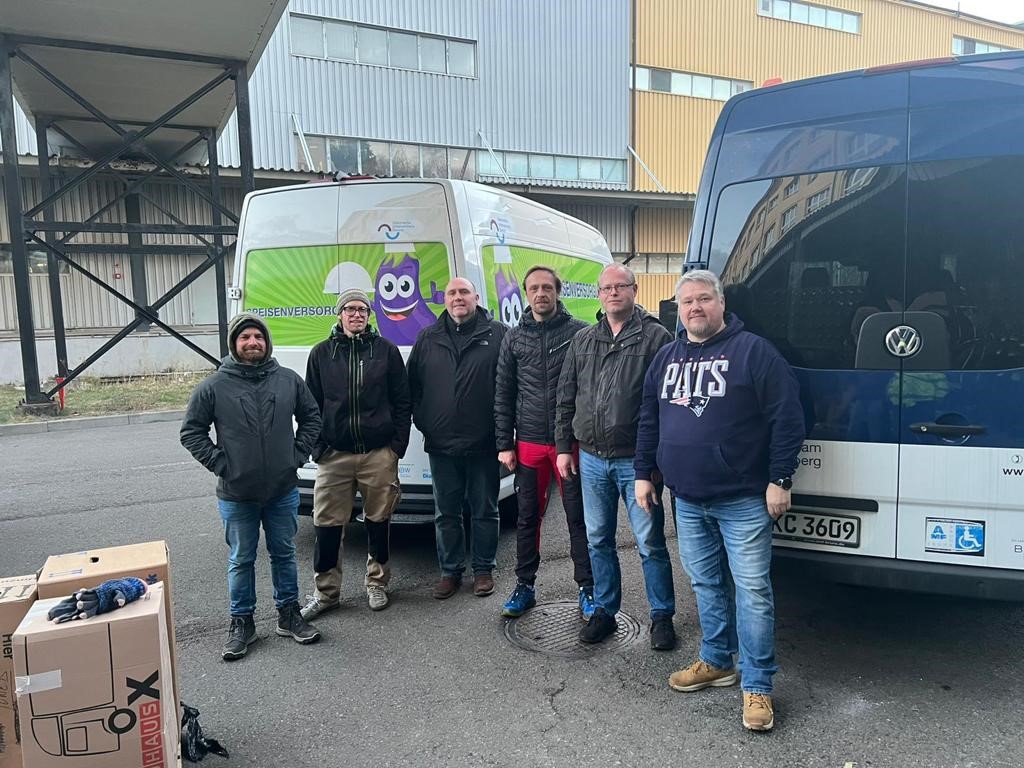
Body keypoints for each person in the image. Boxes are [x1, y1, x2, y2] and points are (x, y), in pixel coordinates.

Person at [634, 269, 804, 732]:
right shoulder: (666, 357)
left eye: (704, 299)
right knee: (706, 584)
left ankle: (758, 684)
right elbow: (649, 418)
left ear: (722, 303)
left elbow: (788, 418)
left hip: (743, 499)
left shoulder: (754, 352)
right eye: (687, 301)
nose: (695, 307)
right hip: (687, 499)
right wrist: (644, 474)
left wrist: (780, 478)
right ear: (678, 308)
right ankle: (716, 660)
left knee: (752, 592)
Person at [180, 313, 323, 661]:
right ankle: (242, 622)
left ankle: (289, 614)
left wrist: (296, 456)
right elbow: (191, 432)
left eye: (258, 337)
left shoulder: (287, 380)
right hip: (237, 493)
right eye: (244, 337)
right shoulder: (214, 386)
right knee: (241, 559)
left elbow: (312, 417)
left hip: (282, 489)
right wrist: (221, 464)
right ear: (234, 343)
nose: (252, 342)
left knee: (284, 554)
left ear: (266, 342)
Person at [554, 263, 677, 651]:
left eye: (619, 287)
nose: (612, 293)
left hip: (637, 462)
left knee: (649, 541)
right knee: (597, 539)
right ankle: (605, 611)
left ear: (634, 290)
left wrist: (655, 462)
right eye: (606, 288)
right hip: (591, 459)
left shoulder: (656, 338)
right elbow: (566, 396)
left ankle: (662, 616)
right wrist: (563, 448)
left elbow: (668, 405)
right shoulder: (583, 340)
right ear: (599, 294)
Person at [300, 288, 411, 618]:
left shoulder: (386, 351)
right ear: (340, 314)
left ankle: (377, 583)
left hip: (378, 455)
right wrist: (318, 448)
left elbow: (403, 401)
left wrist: (396, 448)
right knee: (327, 525)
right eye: (350, 309)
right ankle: (326, 593)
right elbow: (310, 406)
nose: (357, 314)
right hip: (334, 456)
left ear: (369, 315)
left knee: (378, 522)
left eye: (363, 309)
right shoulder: (321, 354)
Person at [494, 266, 594, 619]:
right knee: (527, 518)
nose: (540, 293)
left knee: (577, 517)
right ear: (526, 293)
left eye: (547, 288)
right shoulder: (513, 338)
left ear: (557, 291)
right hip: (529, 444)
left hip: (569, 444)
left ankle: (587, 588)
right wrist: (504, 443)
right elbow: (503, 393)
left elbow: (590, 389)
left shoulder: (580, 333)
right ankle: (525, 586)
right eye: (534, 288)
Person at [408, 277, 507, 599]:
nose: (458, 297)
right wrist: (425, 422)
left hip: (484, 442)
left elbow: (510, 385)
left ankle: (483, 570)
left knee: (485, 510)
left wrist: (504, 432)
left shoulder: (498, 334)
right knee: (446, 513)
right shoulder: (428, 337)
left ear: (476, 297)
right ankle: (450, 572)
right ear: (445, 300)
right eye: (452, 293)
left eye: (464, 292)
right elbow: (412, 387)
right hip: (441, 444)